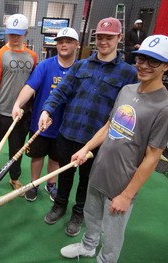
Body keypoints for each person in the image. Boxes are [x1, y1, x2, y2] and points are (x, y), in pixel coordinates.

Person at [60, 34, 168, 263]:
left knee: (112, 232)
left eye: (153, 62)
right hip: (100, 169)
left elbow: (152, 157)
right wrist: (86, 148)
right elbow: (110, 126)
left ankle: (106, 259)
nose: (144, 66)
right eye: (141, 59)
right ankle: (88, 247)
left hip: (121, 183)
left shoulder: (164, 106)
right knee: (90, 215)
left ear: (166, 66)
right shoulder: (127, 90)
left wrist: (127, 196)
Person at [38, 17, 138, 237]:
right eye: (100, 37)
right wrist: (47, 110)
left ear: (119, 38)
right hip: (68, 132)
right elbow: (61, 91)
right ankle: (59, 205)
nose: (103, 42)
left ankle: (78, 213)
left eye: (108, 37)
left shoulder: (128, 73)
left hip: (96, 140)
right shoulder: (80, 65)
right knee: (65, 174)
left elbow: (125, 111)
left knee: (87, 180)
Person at [12, 27, 79, 202]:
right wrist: (18, 104)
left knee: (55, 159)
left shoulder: (81, 69)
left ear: (76, 44)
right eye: (60, 42)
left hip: (64, 127)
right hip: (39, 124)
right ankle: (34, 184)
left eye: (68, 41)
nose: (64, 45)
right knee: (37, 156)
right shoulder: (44, 65)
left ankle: (51, 184)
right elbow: (30, 87)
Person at [0, 13, 37, 195]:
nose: (14, 38)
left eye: (18, 34)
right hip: (0, 112)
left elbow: (33, 84)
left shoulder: (32, 57)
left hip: (21, 114)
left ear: (26, 33)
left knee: (16, 149)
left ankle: (14, 177)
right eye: (11, 34)